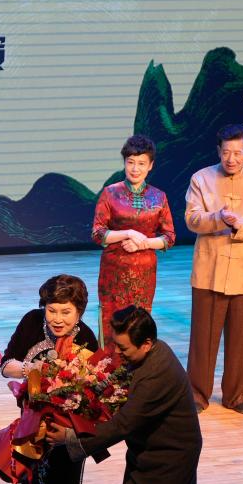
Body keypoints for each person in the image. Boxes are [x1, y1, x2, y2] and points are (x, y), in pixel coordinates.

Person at [46, 306, 202, 484]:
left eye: (124, 348)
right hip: (154, 450)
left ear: (146, 344)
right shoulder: (151, 355)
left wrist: (70, 437)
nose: (117, 352)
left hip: (170, 458)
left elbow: (123, 425)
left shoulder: (156, 375)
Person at [0, 275, 99, 484]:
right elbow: (6, 365)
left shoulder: (86, 338)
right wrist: (33, 370)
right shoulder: (32, 322)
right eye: (52, 310)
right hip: (32, 425)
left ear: (79, 312)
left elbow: (93, 390)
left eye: (66, 312)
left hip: (67, 429)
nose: (57, 319)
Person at [185, 124, 243, 414]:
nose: (232, 158)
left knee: (240, 337)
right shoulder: (201, 178)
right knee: (203, 337)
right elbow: (192, 219)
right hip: (209, 269)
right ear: (219, 151)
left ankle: (235, 395)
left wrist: (241, 224)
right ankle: (197, 393)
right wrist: (218, 217)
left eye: (238, 153)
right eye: (226, 152)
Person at [91, 135, 175, 344]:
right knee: (111, 321)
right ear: (125, 163)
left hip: (144, 273)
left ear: (150, 165)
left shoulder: (159, 197)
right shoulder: (110, 193)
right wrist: (128, 233)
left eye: (141, 163)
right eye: (131, 162)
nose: (135, 169)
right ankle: (109, 365)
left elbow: (169, 237)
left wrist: (143, 243)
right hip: (114, 271)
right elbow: (98, 233)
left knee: (138, 323)